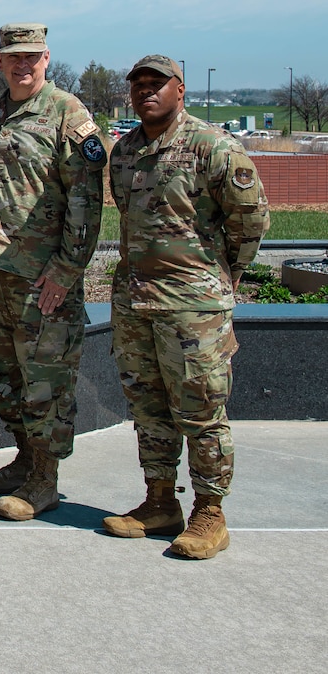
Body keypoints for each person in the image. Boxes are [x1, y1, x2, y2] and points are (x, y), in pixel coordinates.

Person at [101, 55, 269, 559]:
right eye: (139, 85)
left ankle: (209, 512)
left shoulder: (213, 147)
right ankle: (158, 502)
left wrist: (220, 276)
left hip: (193, 307)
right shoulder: (125, 151)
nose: (146, 92)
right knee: (149, 409)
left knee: (200, 410)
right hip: (135, 301)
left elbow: (252, 221)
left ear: (181, 90)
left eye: (158, 84)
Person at [0, 23, 107, 520]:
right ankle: (25, 459)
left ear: (46, 58)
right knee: (5, 378)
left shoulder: (69, 114)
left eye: (30, 57)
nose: (21, 65)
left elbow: (87, 205)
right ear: (0, 61)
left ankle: (45, 480)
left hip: (43, 281)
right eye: (12, 57)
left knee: (46, 383)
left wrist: (65, 272)